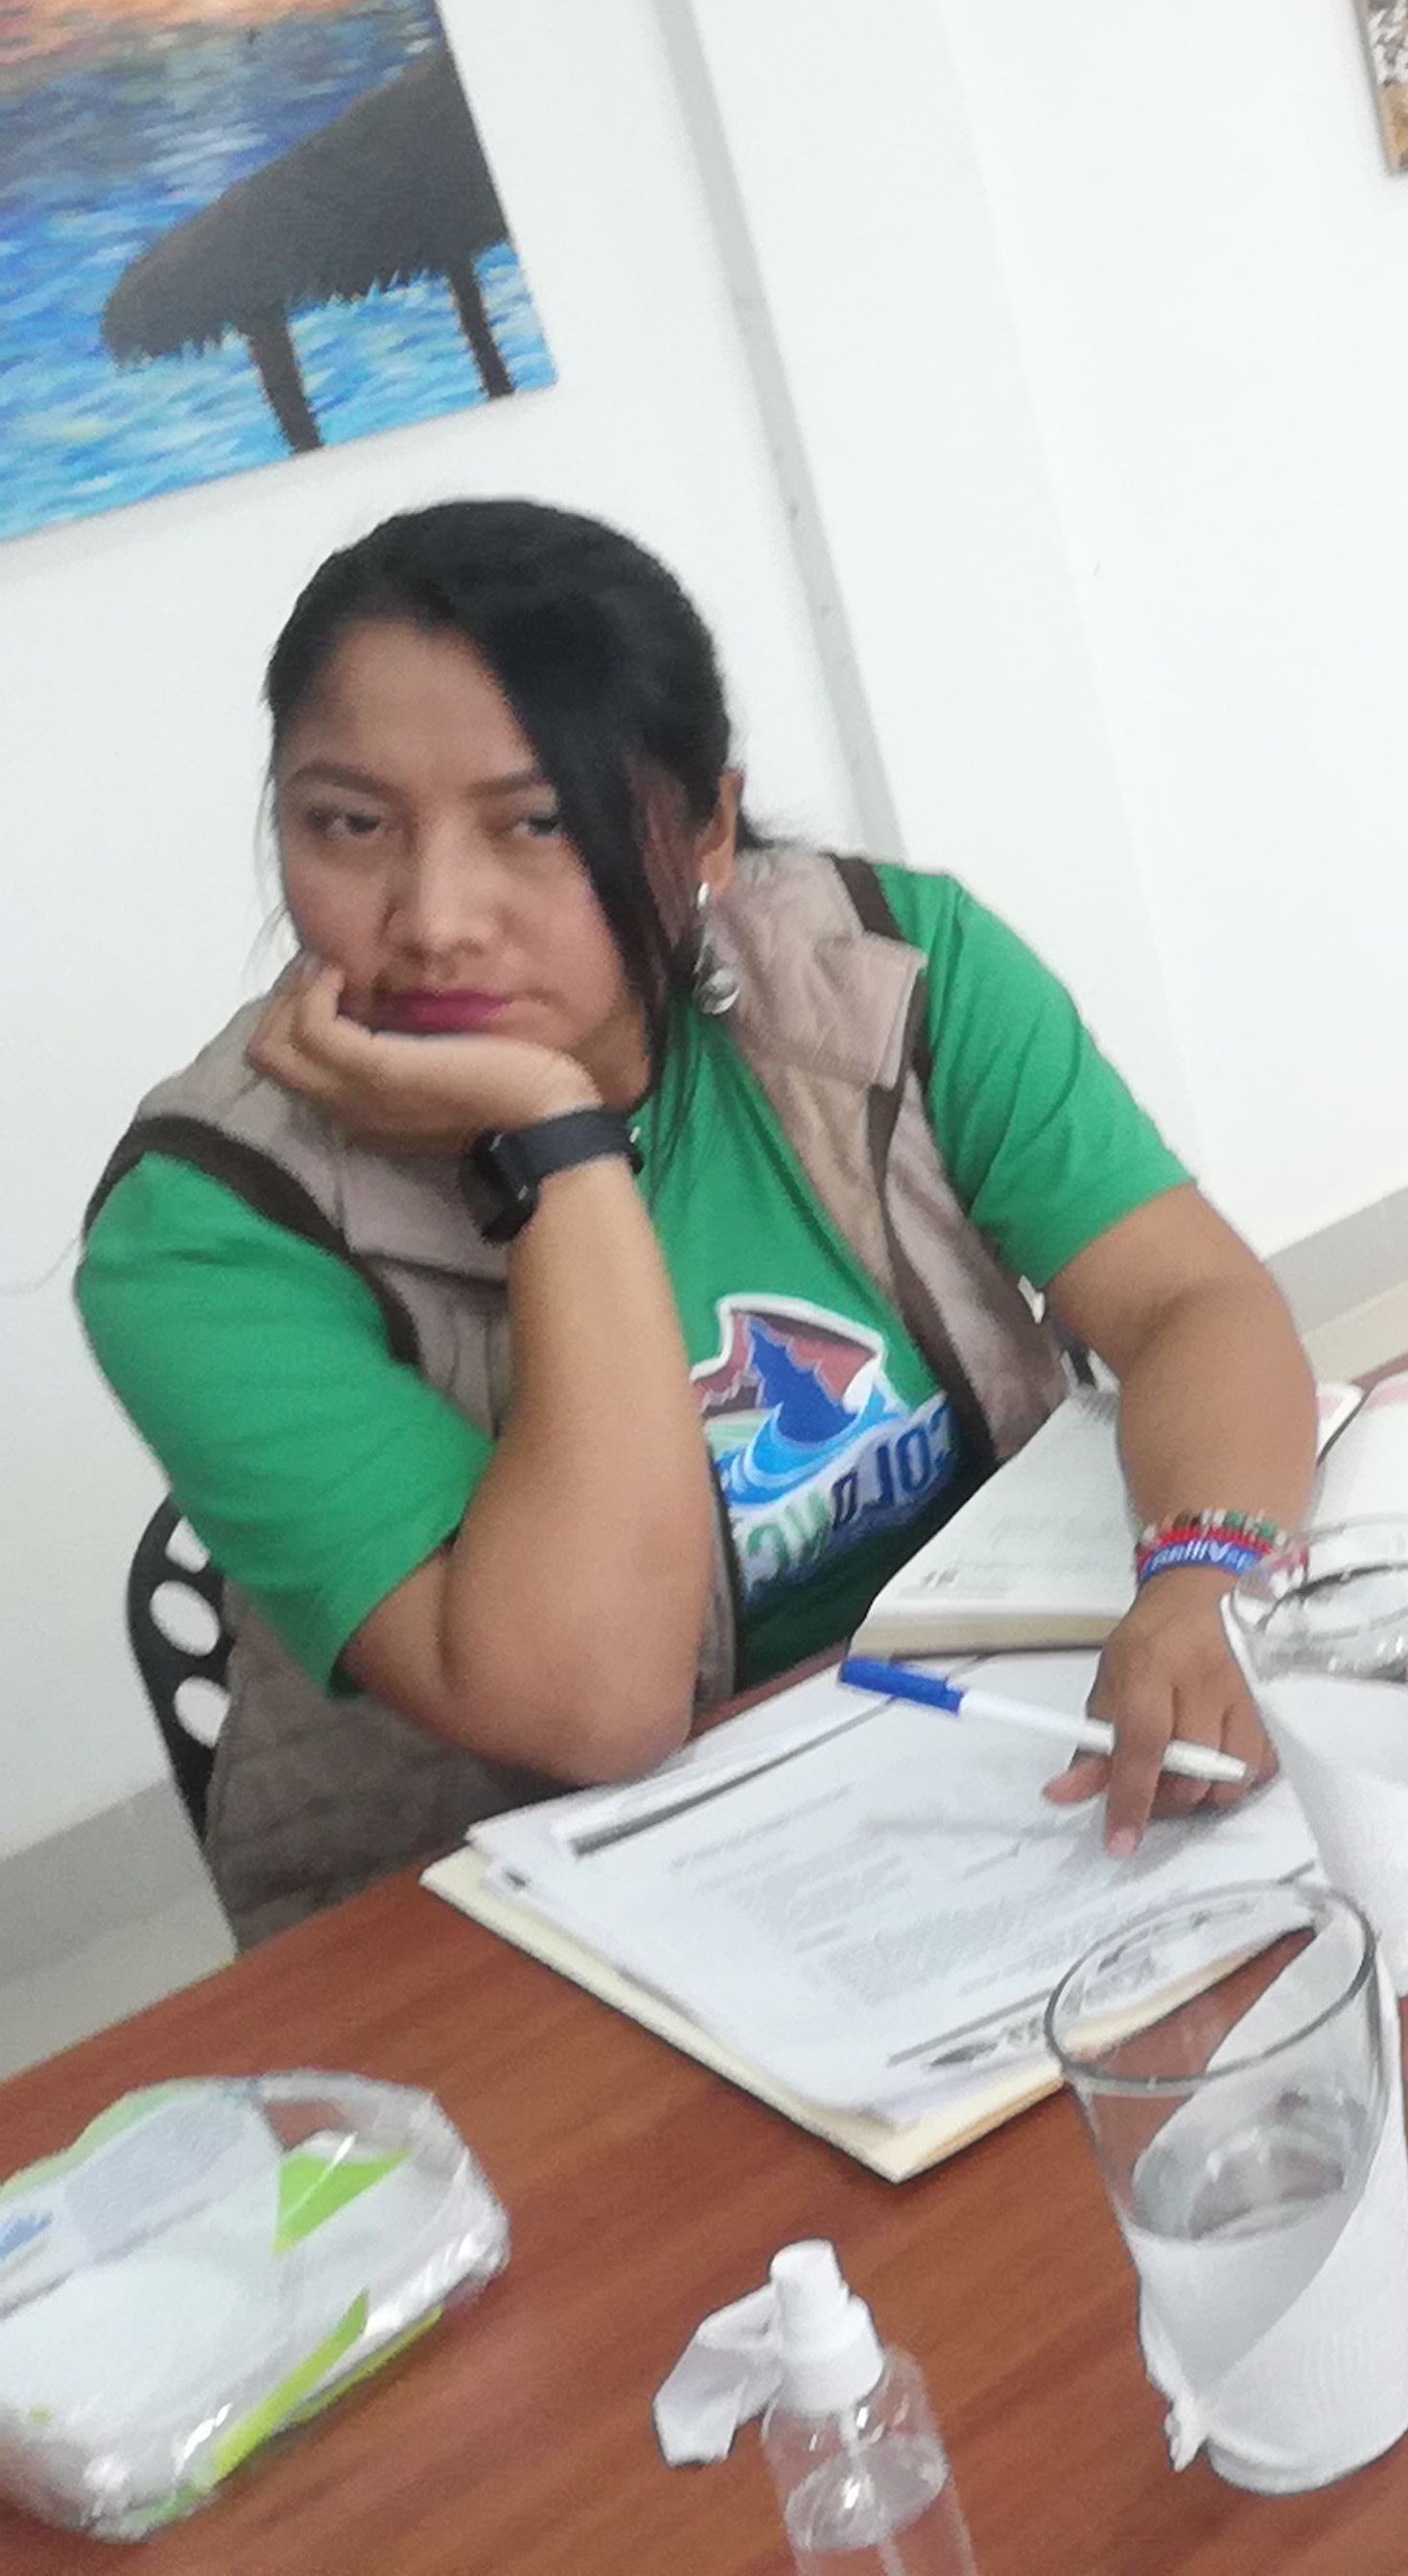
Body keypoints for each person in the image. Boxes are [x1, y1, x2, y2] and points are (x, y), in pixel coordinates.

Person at [77, 501, 1321, 1944]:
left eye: (539, 823)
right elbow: (596, 1704)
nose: (434, 918)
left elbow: (1187, 1301)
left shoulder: (884, 968)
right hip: (505, 1915)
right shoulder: (207, 1228)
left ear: (709, 828)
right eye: (348, 824)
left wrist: (1207, 1572)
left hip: (994, 1759)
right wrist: (557, 1145)